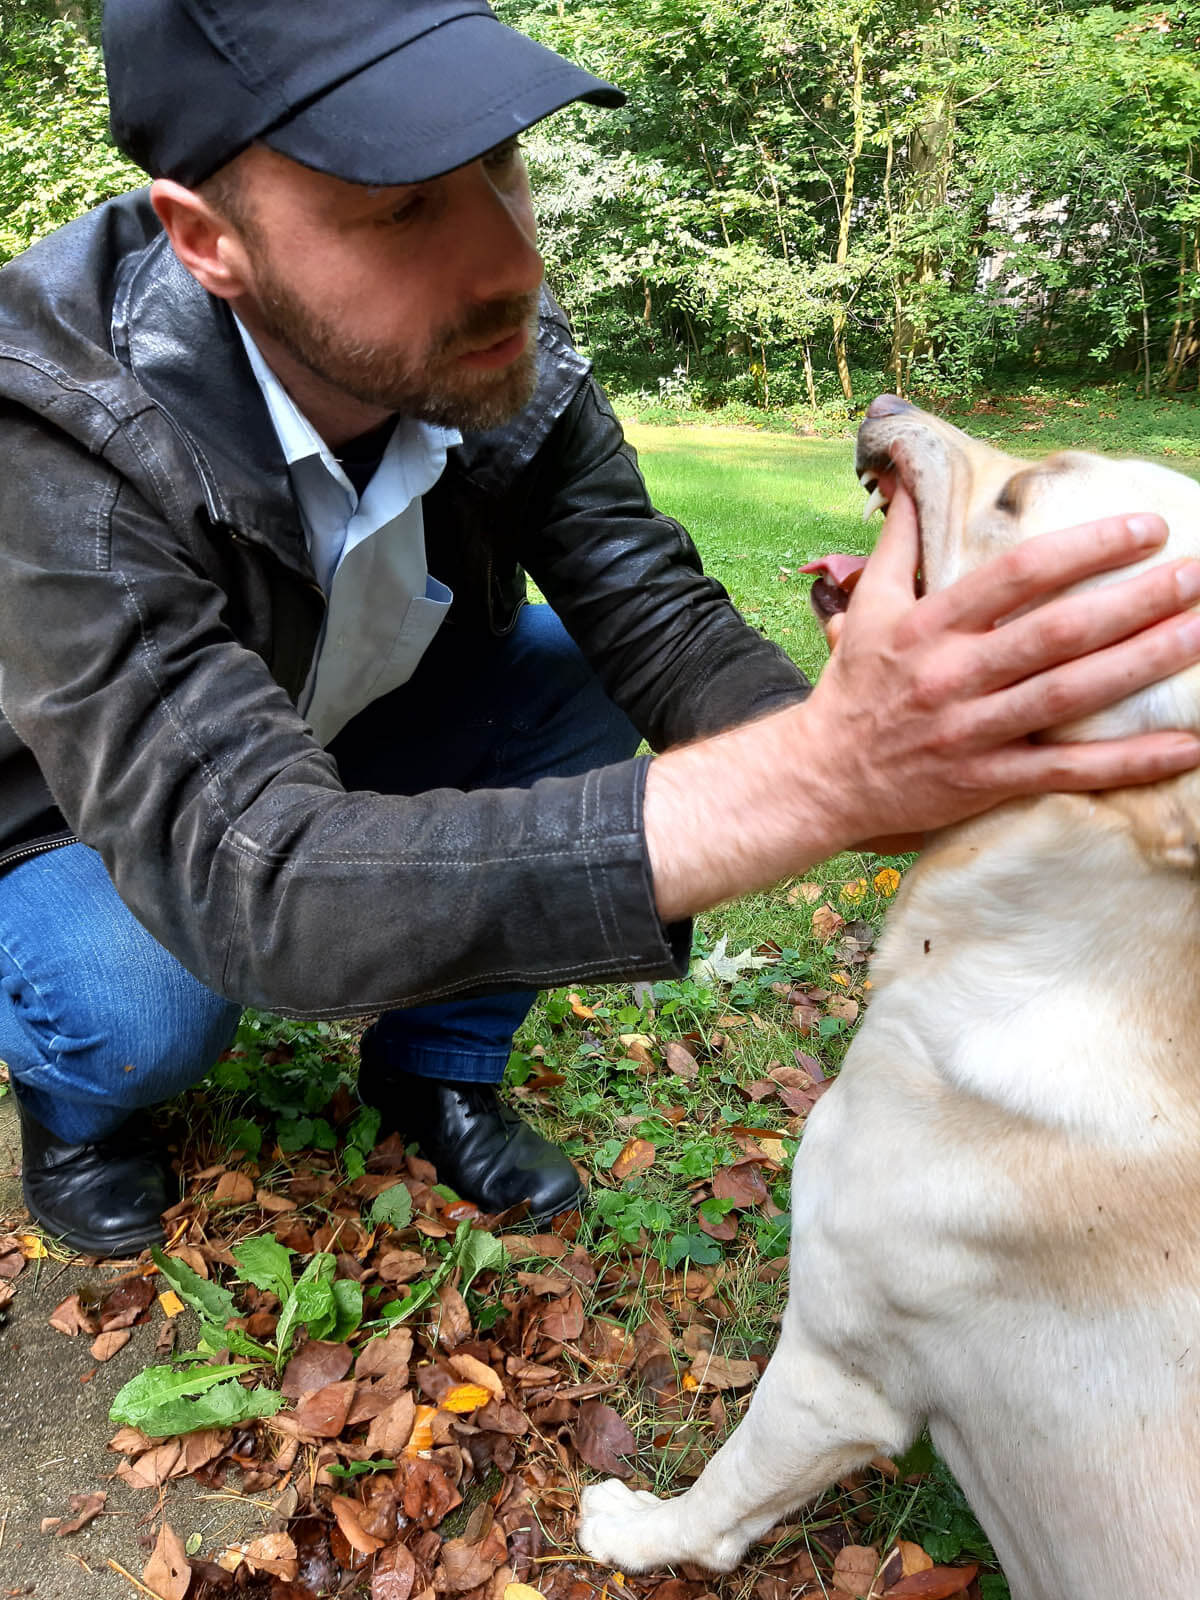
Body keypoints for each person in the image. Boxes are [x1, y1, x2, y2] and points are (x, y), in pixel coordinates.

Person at [2, 0, 1199, 1260]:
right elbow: (253, 877)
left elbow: (657, 618)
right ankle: (77, 1107)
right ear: (210, 241)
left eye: (499, 164)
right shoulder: (55, 419)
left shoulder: (483, 347)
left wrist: (883, 743)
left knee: (571, 678)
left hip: (331, 718)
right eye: (403, 207)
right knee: (139, 1005)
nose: (510, 262)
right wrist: (822, 772)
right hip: (76, 808)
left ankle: (434, 1067)